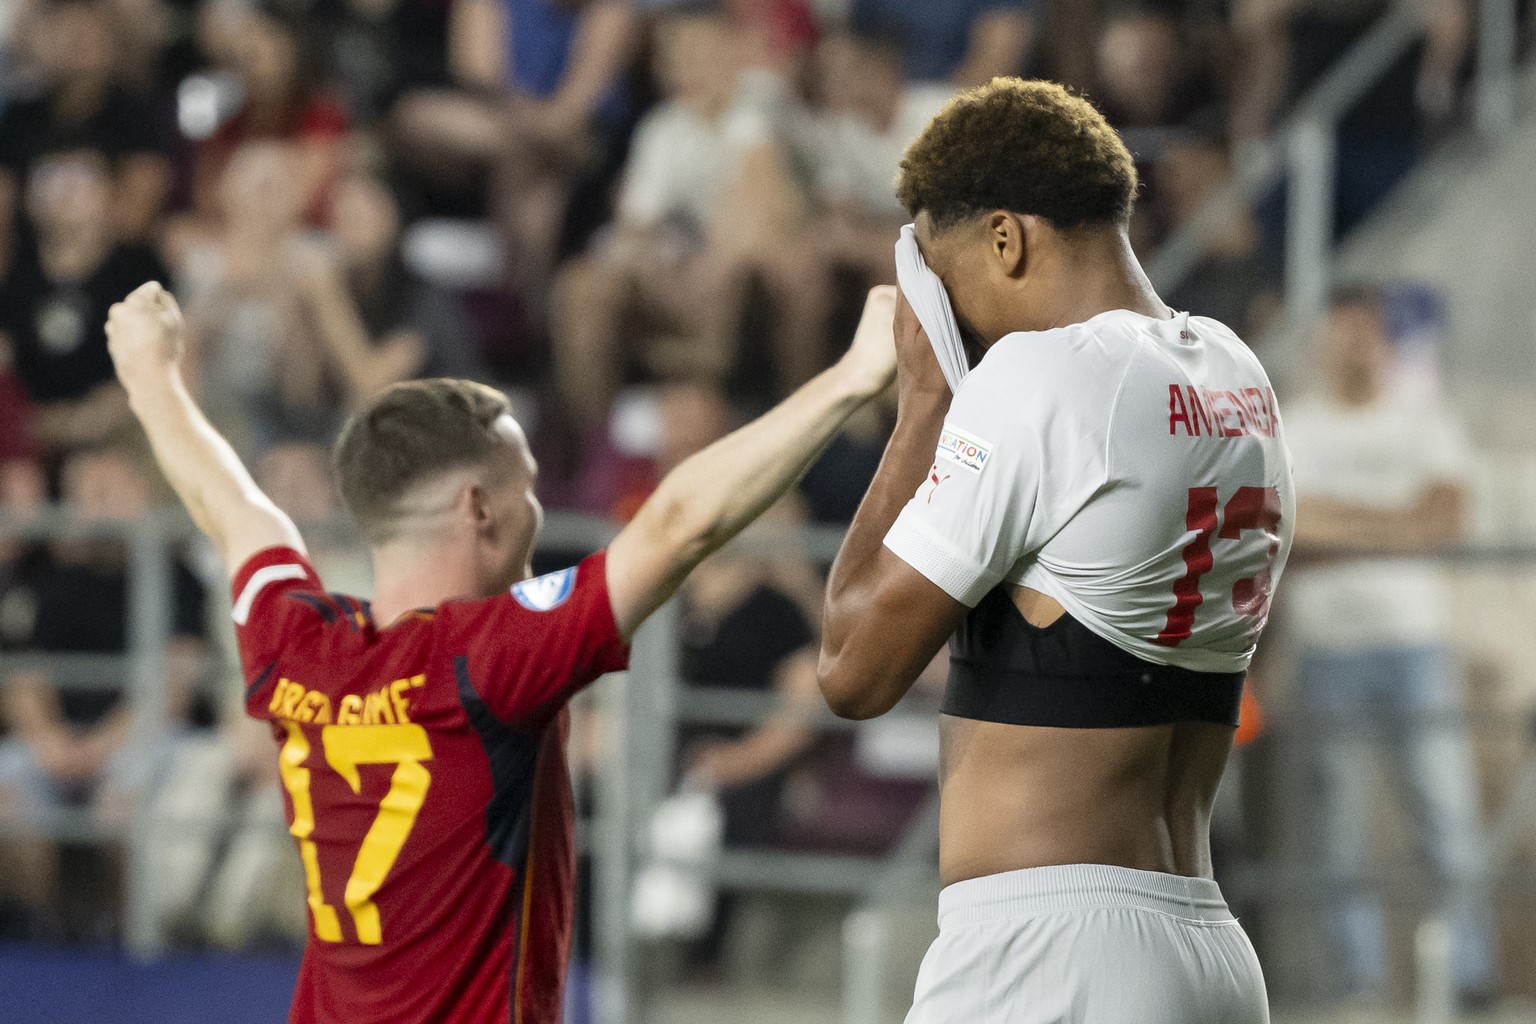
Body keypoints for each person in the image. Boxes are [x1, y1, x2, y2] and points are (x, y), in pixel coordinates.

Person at [102, 278, 895, 1022]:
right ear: (479, 506)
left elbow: (233, 508)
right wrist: (854, 377)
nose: (539, 511)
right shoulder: (491, 659)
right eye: (528, 487)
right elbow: (682, 522)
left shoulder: (296, 643)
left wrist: (150, 378)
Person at [818, 79, 1295, 1022]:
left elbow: (851, 669)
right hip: (1206, 947)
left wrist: (924, 403)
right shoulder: (1238, 374)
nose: (954, 326)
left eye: (948, 288)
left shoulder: (1047, 376)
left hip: (1048, 951)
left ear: (1007, 239)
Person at [1282, 286, 1494, 1007]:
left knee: (1448, 818)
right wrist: (1393, 525)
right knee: (1337, 832)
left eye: (1368, 332)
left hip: (1414, 647)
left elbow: (1444, 520)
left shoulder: (1424, 421)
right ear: (1322, 340)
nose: (1356, 346)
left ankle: (1469, 978)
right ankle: (1357, 984)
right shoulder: (1296, 427)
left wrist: (1335, 526)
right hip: (1327, 648)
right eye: (1343, 332)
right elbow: (1286, 534)